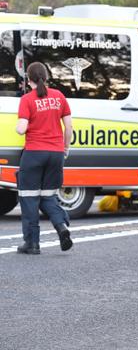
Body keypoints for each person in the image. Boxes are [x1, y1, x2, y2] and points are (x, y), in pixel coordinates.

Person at [15, 61, 74, 254]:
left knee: (29, 198)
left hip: (34, 154)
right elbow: (69, 126)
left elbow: (22, 128)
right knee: (48, 196)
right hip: (56, 154)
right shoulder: (59, 96)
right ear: (46, 77)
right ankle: (62, 227)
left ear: (28, 79)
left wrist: (19, 127)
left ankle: (32, 244)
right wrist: (65, 148)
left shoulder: (27, 99)